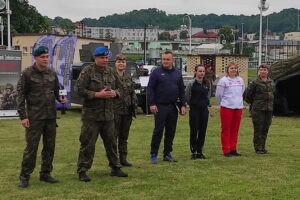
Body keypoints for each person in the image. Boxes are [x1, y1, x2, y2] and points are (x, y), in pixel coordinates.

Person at [16, 46, 67, 188]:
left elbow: (56, 90)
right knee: (31, 147)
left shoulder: (51, 72)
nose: (45, 59)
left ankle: (46, 173)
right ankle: (25, 176)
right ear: (36, 58)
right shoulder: (27, 74)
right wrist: (23, 116)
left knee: (49, 147)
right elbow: (20, 96)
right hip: (34, 117)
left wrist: (60, 99)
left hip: (50, 116)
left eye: (47, 57)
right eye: (42, 57)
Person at [76, 47, 128, 182]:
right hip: (91, 116)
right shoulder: (88, 71)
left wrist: (115, 93)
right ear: (95, 58)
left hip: (108, 115)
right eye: (102, 58)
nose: (105, 60)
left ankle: (115, 167)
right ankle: (83, 170)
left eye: (106, 58)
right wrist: (97, 94)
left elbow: (120, 88)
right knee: (87, 144)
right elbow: (80, 90)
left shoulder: (111, 72)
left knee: (111, 143)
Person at [147, 51, 186, 164]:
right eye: (164, 59)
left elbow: (181, 91)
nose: (165, 61)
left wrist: (183, 105)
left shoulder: (177, 73)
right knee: (158, 130)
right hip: (160, 106)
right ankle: (154, 154)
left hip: (173, 107)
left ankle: (167, 153)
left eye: (168, 59)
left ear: (172, 60)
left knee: (171, 131)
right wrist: (152, 104)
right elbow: (150, 89)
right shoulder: (156, 72)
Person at [216, 62, 245, 157]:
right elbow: (219, 95)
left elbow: (242, 92)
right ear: (227, 70)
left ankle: (233, 148)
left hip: (238, 107)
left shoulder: (240, 80)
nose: (233, 70)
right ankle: (226, 150)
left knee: (235, 129)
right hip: (227, 107)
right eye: (231, 68)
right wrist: (223, 103)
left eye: (235, 68)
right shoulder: (223, 80)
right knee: (226, 129)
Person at [245, 64, 275, 154]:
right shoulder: (255, 82)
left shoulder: (271, 82)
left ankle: (263, 147)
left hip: (268, 108)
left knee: (266, 128)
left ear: (268, 71)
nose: (263, 71)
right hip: (258, 109)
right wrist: (253, 104)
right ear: (259, 71)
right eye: (261, 70)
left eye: (265, 70)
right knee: (258, 128)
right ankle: (258, 148)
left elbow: (273, 93)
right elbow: (247, 95)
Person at [113, 54, 137, 167]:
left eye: (123, 62)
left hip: (126, 112)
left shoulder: (128, 78)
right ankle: (114, 160)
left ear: (125, 64)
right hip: (115, 112)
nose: (121, 64)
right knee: (113, 137)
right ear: (115, 64)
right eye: (119, 62)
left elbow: (132, 93)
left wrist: (134, 107)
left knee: (124, 137)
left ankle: (123, 159)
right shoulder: (111, 77)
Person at [185, 65, 210, 160]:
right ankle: (194, 151)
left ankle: (200, 151)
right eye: (200, 71)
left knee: (202, 131)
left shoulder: (207, 83)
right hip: (194, 110)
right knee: (194, 130)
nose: (202, 73)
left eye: (203, 71)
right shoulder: (191, 83)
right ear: (195, 72)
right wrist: (192, 104)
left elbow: (208, 95)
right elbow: (187, 96)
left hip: (204, 110)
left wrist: (205, 104)